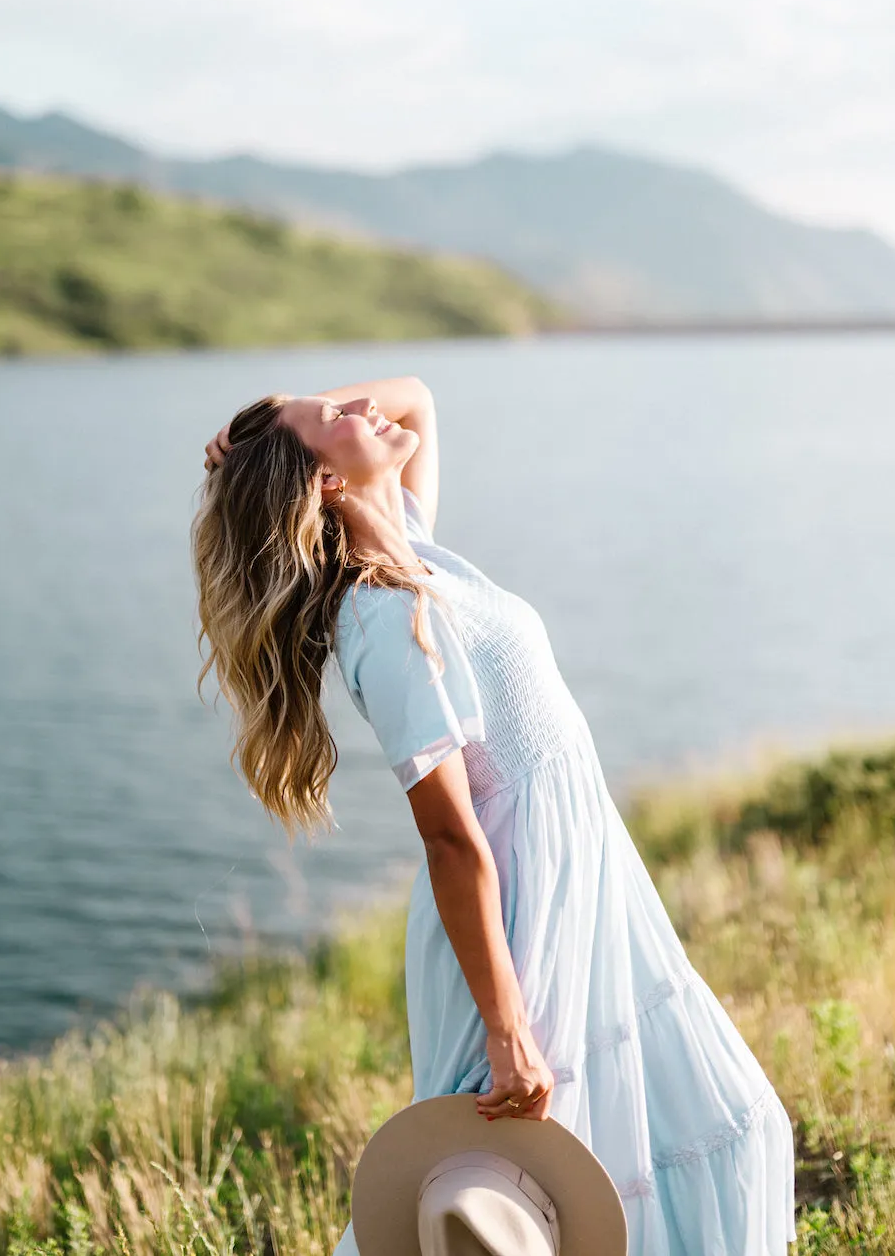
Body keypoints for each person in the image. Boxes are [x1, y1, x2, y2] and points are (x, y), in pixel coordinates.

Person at [194, 374, 797, 1255]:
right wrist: (507, 1029)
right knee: (524, 1192)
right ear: (325, 482)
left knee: (730, 1122)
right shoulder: (381, 618)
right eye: (337, 418)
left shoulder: (418, 547)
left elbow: (418, 400)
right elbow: (448, 835)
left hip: (582, 881)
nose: (362, 408)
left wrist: (286, 417)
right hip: (519, 914)